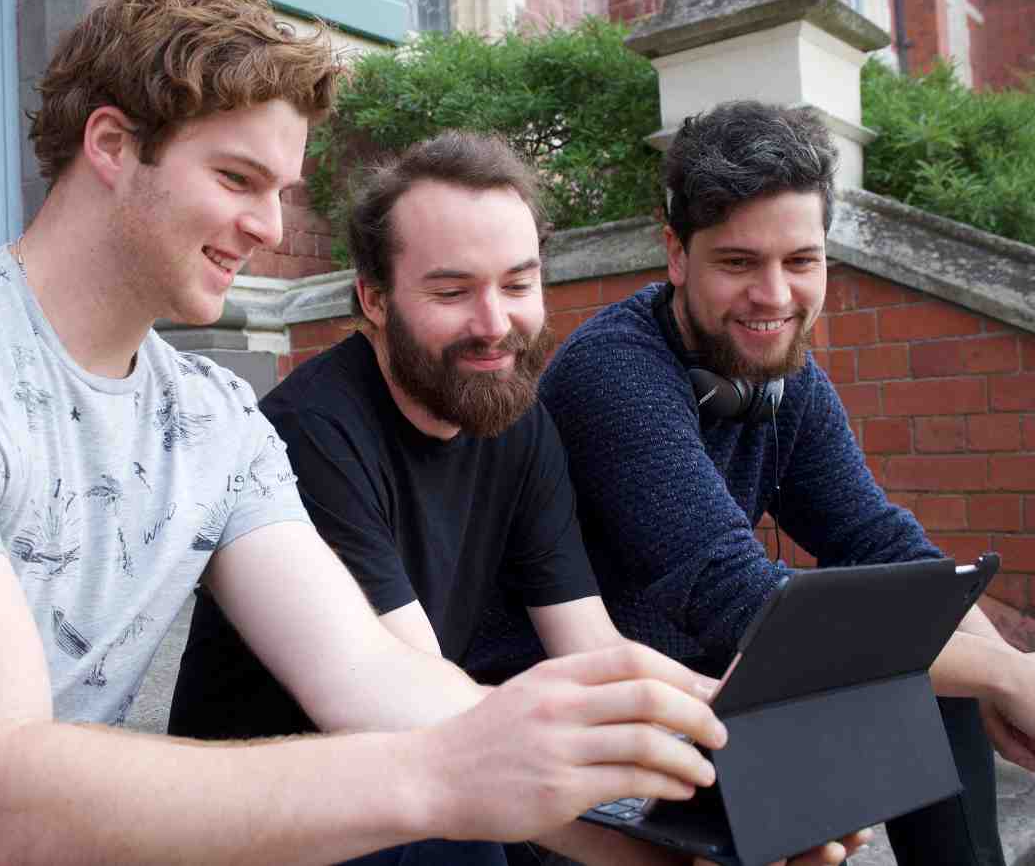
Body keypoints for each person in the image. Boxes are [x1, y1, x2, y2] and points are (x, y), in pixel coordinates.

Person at [0, 0, 740, 866]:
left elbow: (369, 676)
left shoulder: (214, 418)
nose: (271, 227)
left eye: (279, 189)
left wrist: (667, 835)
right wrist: (435, 777)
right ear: (111, 145)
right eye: (236, 178)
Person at [170, 131, 866, 866]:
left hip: (424, 764)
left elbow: (592, 648)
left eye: (516, 283)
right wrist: (638, 841)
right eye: (452, 291)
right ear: (373, 299)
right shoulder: (312, 432)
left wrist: (723, 724)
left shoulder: (515, 419)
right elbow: (411, 693)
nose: (495, 324)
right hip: (288, 809)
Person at [525, 100, 1035, 866]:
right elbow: (741, 598)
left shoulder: (784, 380)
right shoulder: (614, 373)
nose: (775, 297)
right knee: (931, 669)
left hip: (713, 706)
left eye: (801, 261)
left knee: (939, 670)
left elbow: (878, 540)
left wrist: (1005, 667)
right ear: (676, 255)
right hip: (605, 729)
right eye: (738, 263)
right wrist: (1005, 671)